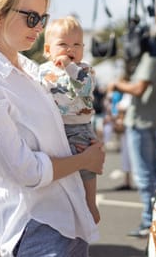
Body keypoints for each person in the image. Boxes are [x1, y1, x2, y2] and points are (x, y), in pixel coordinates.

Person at [0, 0, 105, 257]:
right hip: (35, 226)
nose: (38, 27)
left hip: (66, 216)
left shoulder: (33, 71)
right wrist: (83, 160)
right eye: (32, 17)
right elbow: (27, 171)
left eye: (43, 18)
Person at [38, 16, 100, 224]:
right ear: (48, 49)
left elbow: (86, 88)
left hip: (80, 127)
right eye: (63, 44)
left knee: (87, 169)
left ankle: (90, 204)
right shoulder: (42, 71)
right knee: (59, 172)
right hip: (54, 129)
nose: (70, 49)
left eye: (76, 45)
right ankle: (62, 210)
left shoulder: (84, 69)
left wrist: (69, 67)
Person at [107, 28, 156, 237]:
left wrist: (117, 84)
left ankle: (148, 221)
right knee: (149, 174)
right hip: (148, 122)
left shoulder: (149, 60)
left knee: (144, 176)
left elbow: (139, 88)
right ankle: (151, 219)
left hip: (141, 124)